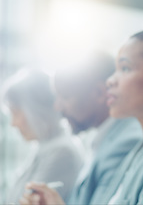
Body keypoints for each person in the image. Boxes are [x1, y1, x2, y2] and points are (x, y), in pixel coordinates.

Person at [20, 52, 143, 204]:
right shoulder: (103, 138)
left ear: (99, 93)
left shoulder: (124, 143)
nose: (57, 107)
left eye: (65, 97)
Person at [1, 69, 83, 203]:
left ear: (36, 110)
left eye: (15, 112)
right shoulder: (44, 147)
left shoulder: (62, 153)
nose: (13, 124)